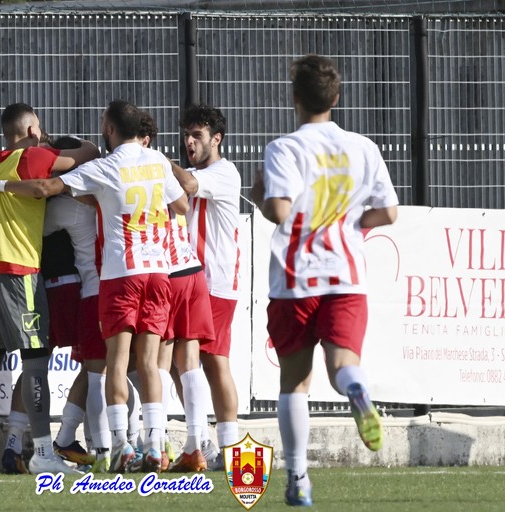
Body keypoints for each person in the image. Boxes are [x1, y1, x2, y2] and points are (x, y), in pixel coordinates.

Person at [0, 100, 189, 474]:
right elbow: (183, 199)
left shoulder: (96, 178)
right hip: (146, 277)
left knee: (88, 366)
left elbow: (48, 190)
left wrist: (2, 185)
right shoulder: (149, 163)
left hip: (94, 282)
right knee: (140, 366)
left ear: (110, 129)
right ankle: (147, 443)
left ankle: (108, 445)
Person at [250, 54, 398, 507]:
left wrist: (259, 195)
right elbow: (388, 212)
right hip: (345, 276)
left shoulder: (285, 148)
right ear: (336, 97)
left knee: (294, 381)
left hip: (295, 280)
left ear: (294, 97)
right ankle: (356, 388)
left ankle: (298, 479)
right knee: (341, 366)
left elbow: (278, 210)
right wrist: (350, 222)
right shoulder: (362, 147)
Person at [0, 103, 99, 475]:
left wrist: (0, 184)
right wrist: (53, 144)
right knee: (36, 362)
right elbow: (87, 155)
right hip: (18, 271)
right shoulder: (34, 156)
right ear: (33, 128)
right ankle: (44, 453)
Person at [170, 104, 242, 465]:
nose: (189, 142)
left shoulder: (223, 172)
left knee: (213, 364)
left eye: (196, 135)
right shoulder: (195, 172)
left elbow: (188, 184)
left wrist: (151, 160)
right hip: (191, 280)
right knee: (176, 362)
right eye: (186, 135)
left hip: (214, 281)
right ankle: (205, 442)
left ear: (217, 139)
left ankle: (227, 449)